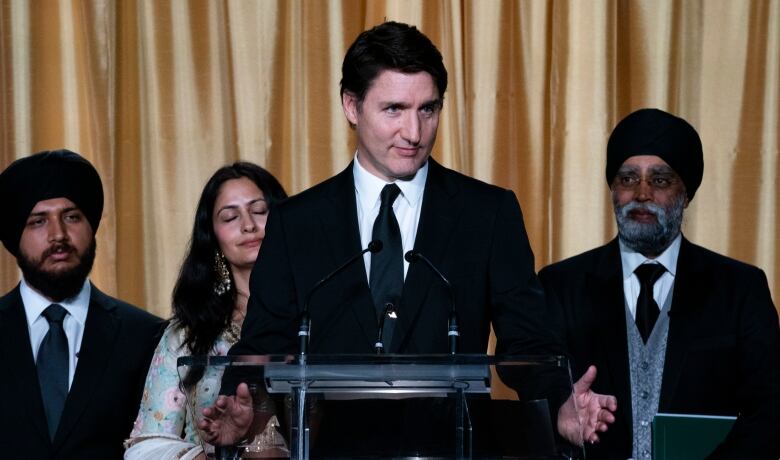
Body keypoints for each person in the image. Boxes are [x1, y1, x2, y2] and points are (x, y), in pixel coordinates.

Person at [198, 21, 616, 455]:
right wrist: (239, 409)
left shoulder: (487, 213)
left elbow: (527, 339)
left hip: (453, 447)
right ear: (351, 106)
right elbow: (264, 344)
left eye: (428, 110)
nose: (414, 133)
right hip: (333, 447)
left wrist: (561, 400)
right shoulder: (296, 222)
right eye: (394, 109)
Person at [538, 108, 780, 459]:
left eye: (661, 180)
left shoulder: (741, 290)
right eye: (628, 179)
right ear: (612, 189)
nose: (642, 194)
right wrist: (561, 413)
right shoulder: (561, 286)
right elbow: (537, 402)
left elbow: (769, 413)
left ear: (686, 194)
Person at [0, 149, 166, 459]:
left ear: (92, 227)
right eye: (38, 222)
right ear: (14, 238)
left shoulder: (146, 336)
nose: (58, 235)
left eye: (72, 217)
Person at [124, 163, 288, 459]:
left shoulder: (314, 318)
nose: (248, 225)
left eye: (260, 210)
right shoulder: (188, 333)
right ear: (212, 239)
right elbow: (144, 447)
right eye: (230, 216)